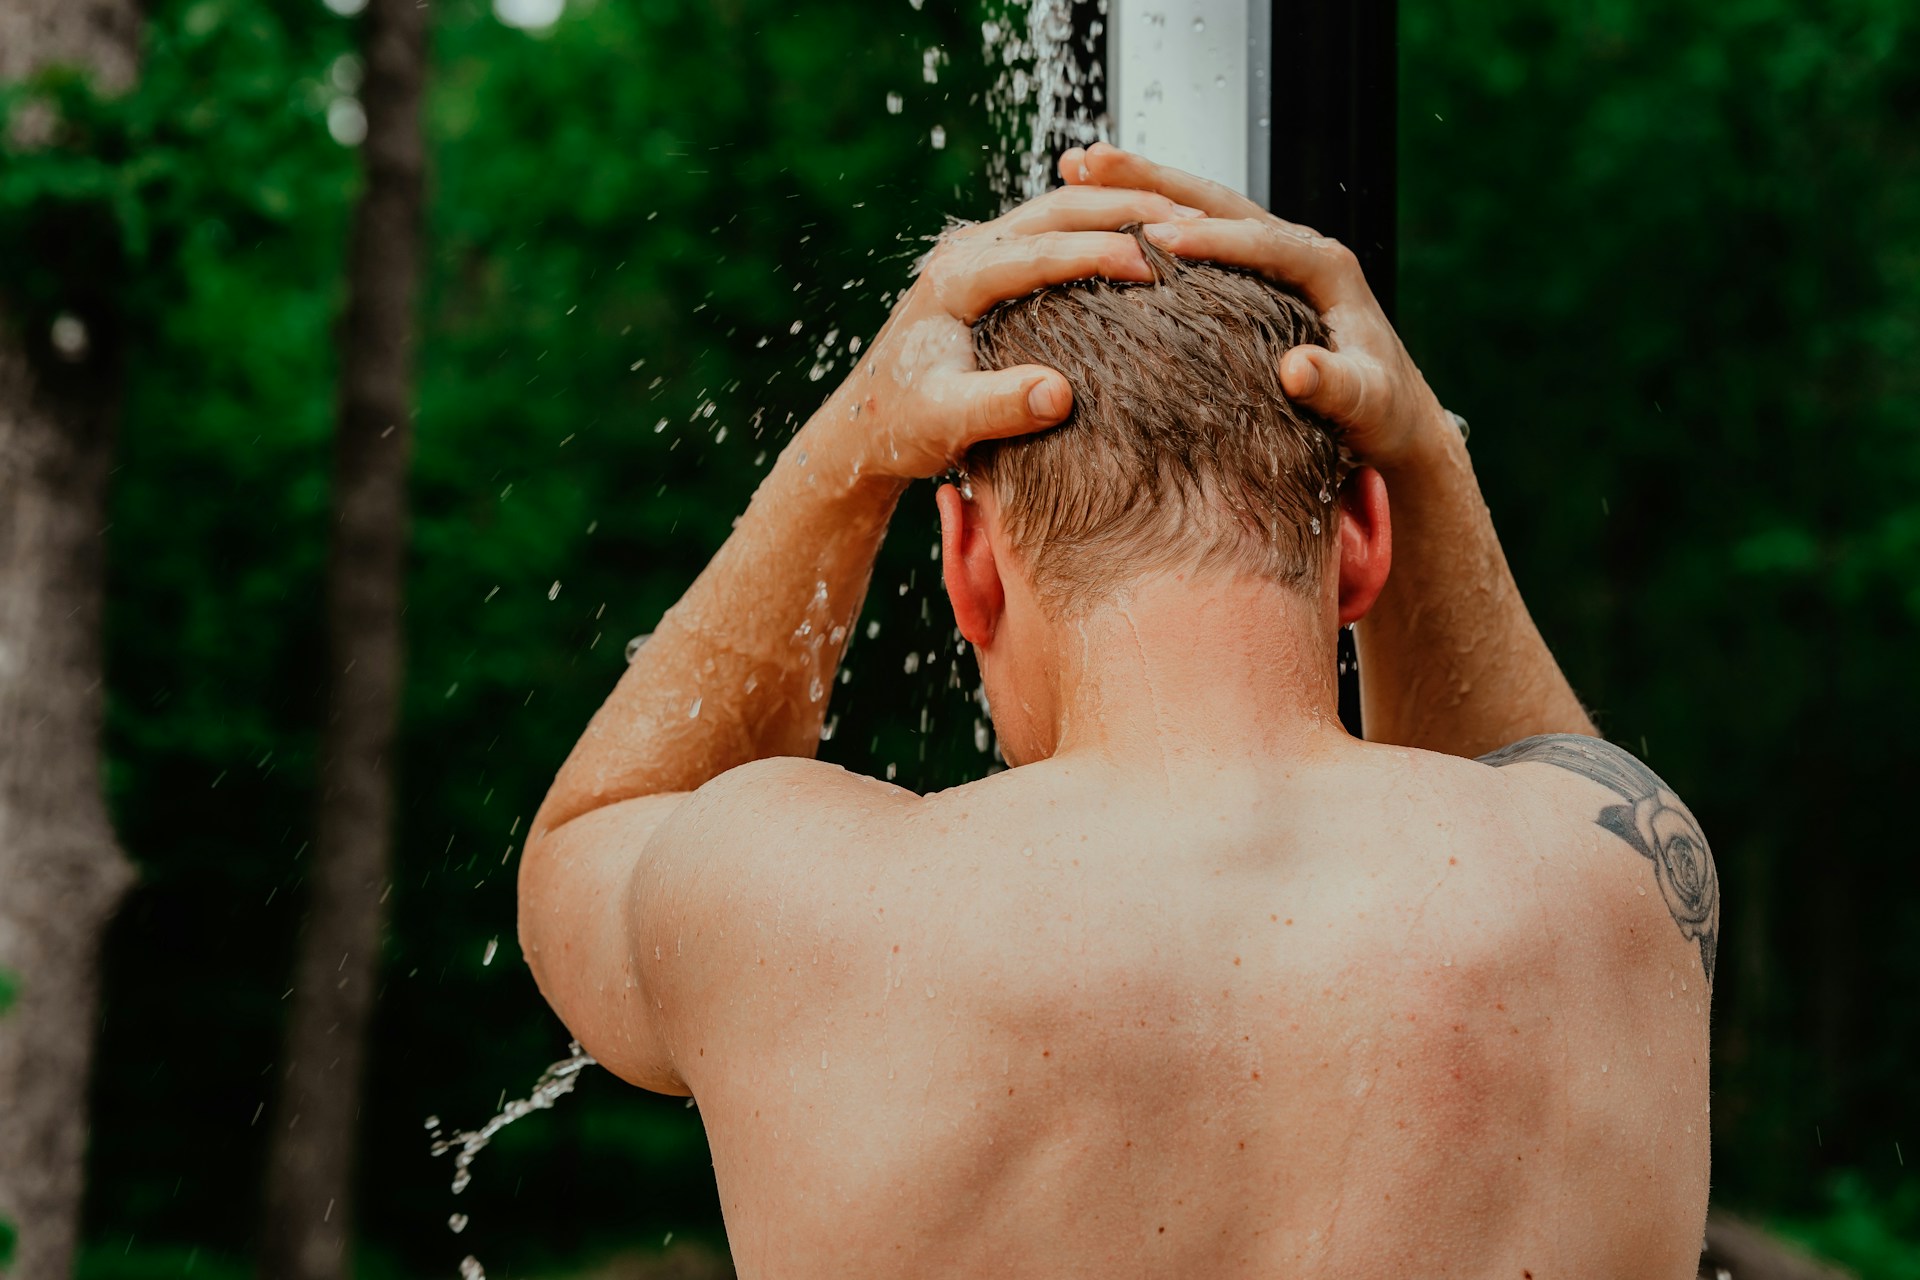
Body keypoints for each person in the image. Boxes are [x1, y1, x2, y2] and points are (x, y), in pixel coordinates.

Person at [518, 143, 1717, 1279]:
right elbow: (1518, 785)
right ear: (1361, 537)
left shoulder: (797, 900)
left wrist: (852, 448)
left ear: (969, 563)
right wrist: (1424, 454)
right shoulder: (1615, 880)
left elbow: (591, 834)